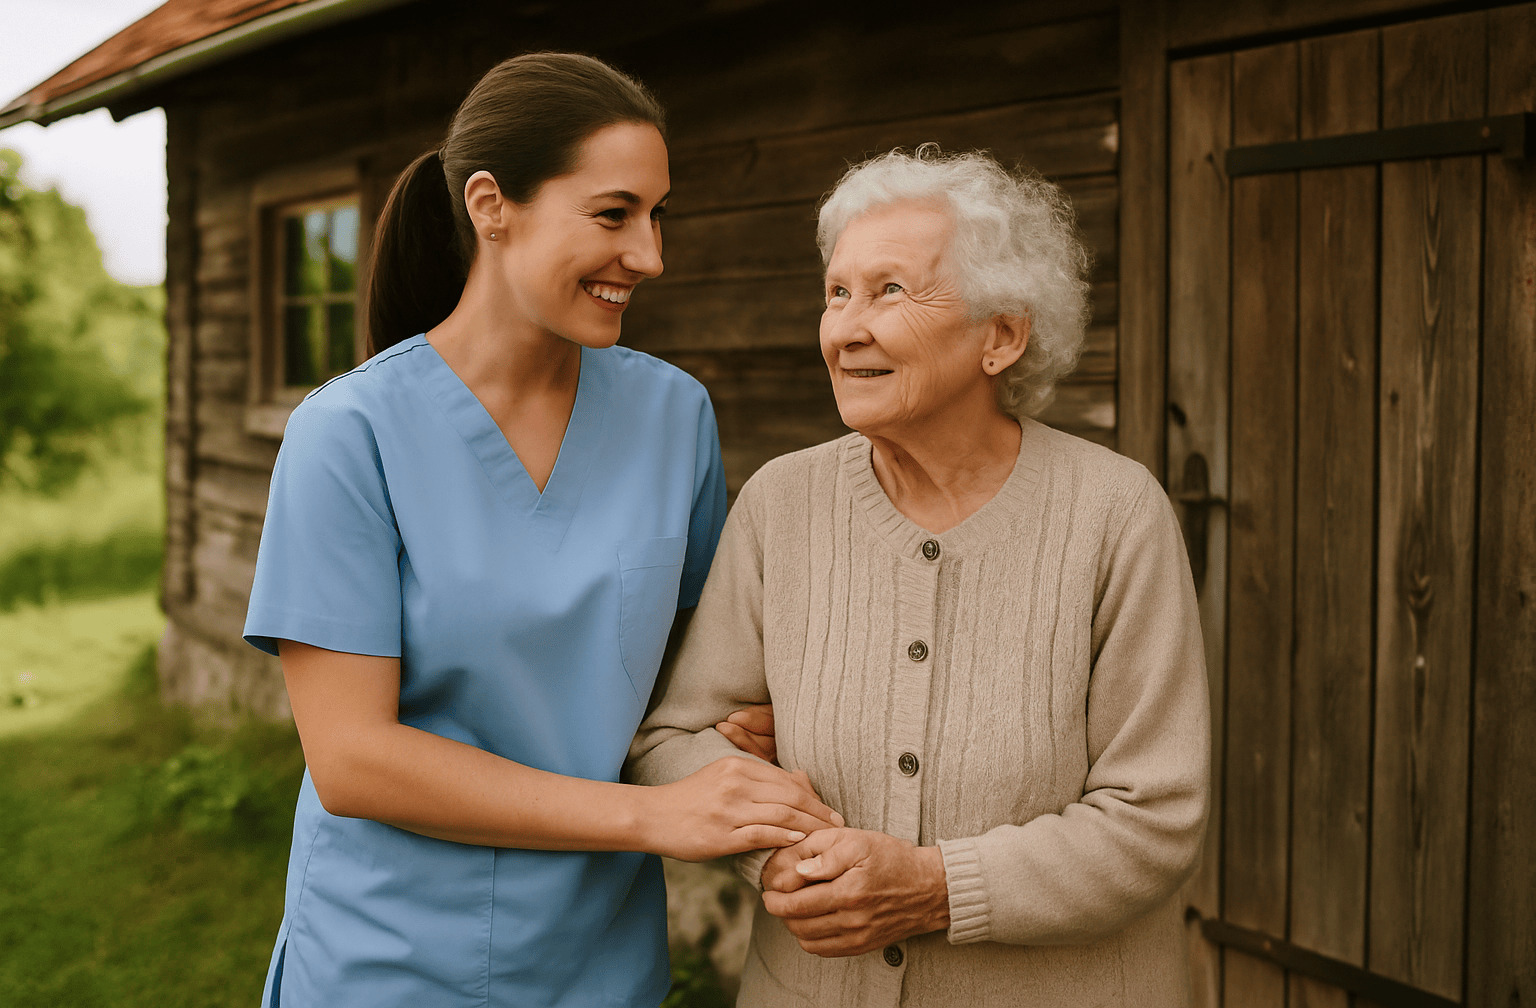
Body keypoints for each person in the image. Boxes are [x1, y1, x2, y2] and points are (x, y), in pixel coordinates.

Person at [243, 52, 838, 1008]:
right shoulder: (347, 435)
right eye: (612, 215)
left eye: (657, 215)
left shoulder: (674, 417)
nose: (648, 255)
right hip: (390, 960)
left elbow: (693, 677)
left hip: (601, 960)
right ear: (490, 205)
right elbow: (353, 758)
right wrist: (654, 815)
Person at [629, 145, 1211, 1007]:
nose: (844, 328)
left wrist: (935, 886)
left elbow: (1153, 818)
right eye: (837, 292)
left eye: (889, 290)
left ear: (1002, 335)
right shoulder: (782, 504)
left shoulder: (1115, 515)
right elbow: (671, 746)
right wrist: (780, 850)